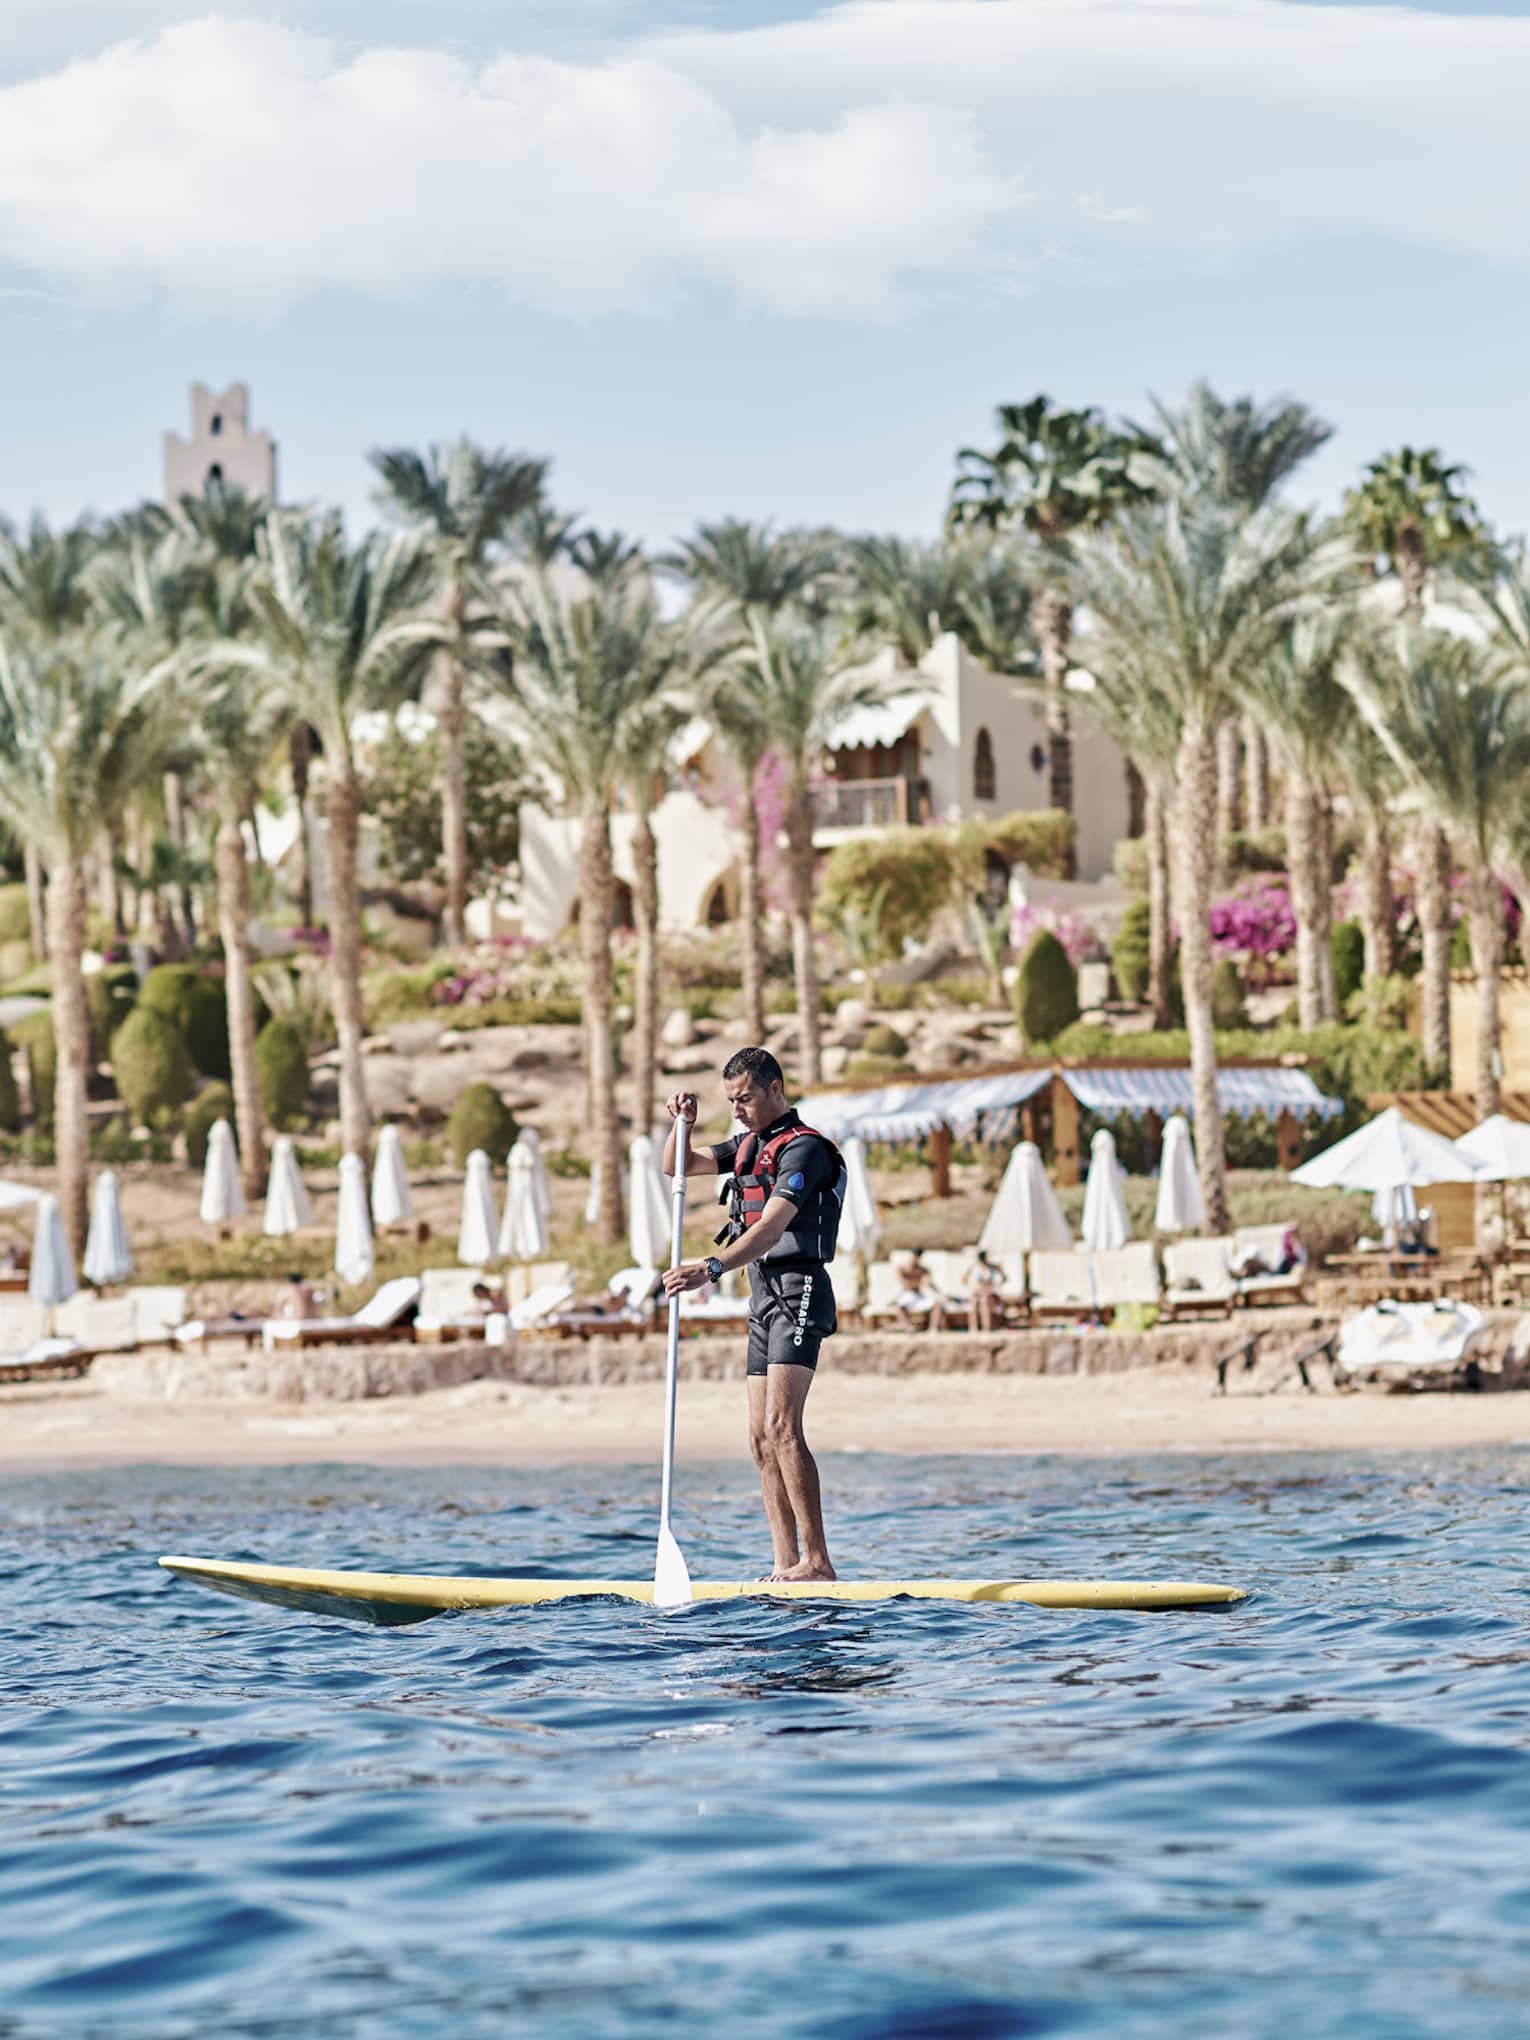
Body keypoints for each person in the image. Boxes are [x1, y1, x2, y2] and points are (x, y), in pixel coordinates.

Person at [662, 1046, 846, 1582]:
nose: (737, 1109)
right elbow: (679, 1164)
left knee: (783, 1426)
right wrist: (684, 1125)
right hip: (761, 1293)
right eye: (730, 1101)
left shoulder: (805, 1150)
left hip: (799, 1286)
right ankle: (785, 1560)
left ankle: (817, 1561)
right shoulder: (748, 1146)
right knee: (759, 1437)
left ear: (774, 1089)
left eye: (745, 1099)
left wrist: (711, 1267)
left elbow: (769, 1227)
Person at [893, 1250, 947, 1331]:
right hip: (907, 1294)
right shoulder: (902, 1268)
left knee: (937, 1305)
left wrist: (940, 1293)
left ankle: (933, 1329)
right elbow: (904, 1284)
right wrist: (920, 1282)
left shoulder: (923, 1269)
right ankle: (907, 1327)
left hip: (919, 1295)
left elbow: (930, 1284)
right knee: (899, 1306)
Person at [965, 1248, 1002, 1333]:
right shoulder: (975, 1268)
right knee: (973, 1303)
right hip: (978, 1292)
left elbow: (997, 1283)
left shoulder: (992, 1269)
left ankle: (986, 1327)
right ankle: (973, 1327)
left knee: (984, 1301)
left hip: (989, 1293)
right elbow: (966, 1281)